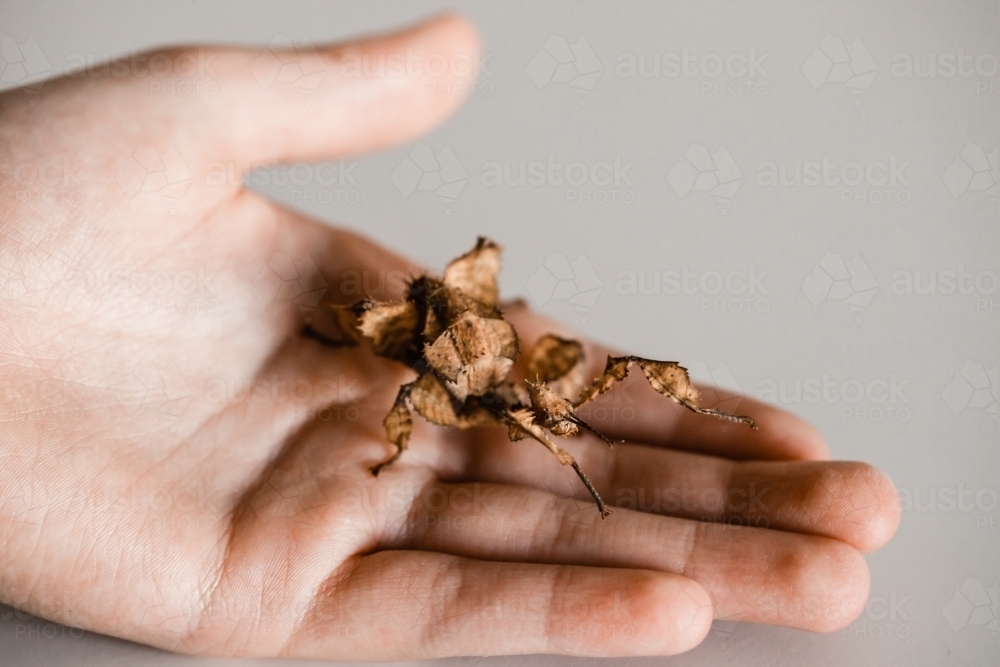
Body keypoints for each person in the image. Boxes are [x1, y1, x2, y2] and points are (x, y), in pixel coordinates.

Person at [0, 14, 900, 659]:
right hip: (429, 341)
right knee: (385, 355)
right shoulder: (439, 384)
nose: (554, 437)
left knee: (622, 371)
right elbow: (408, 393)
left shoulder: (542, 388)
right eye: (547, 433)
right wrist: (394, 451)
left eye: (549, 432)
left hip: (488, 358)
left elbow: (604, 374)